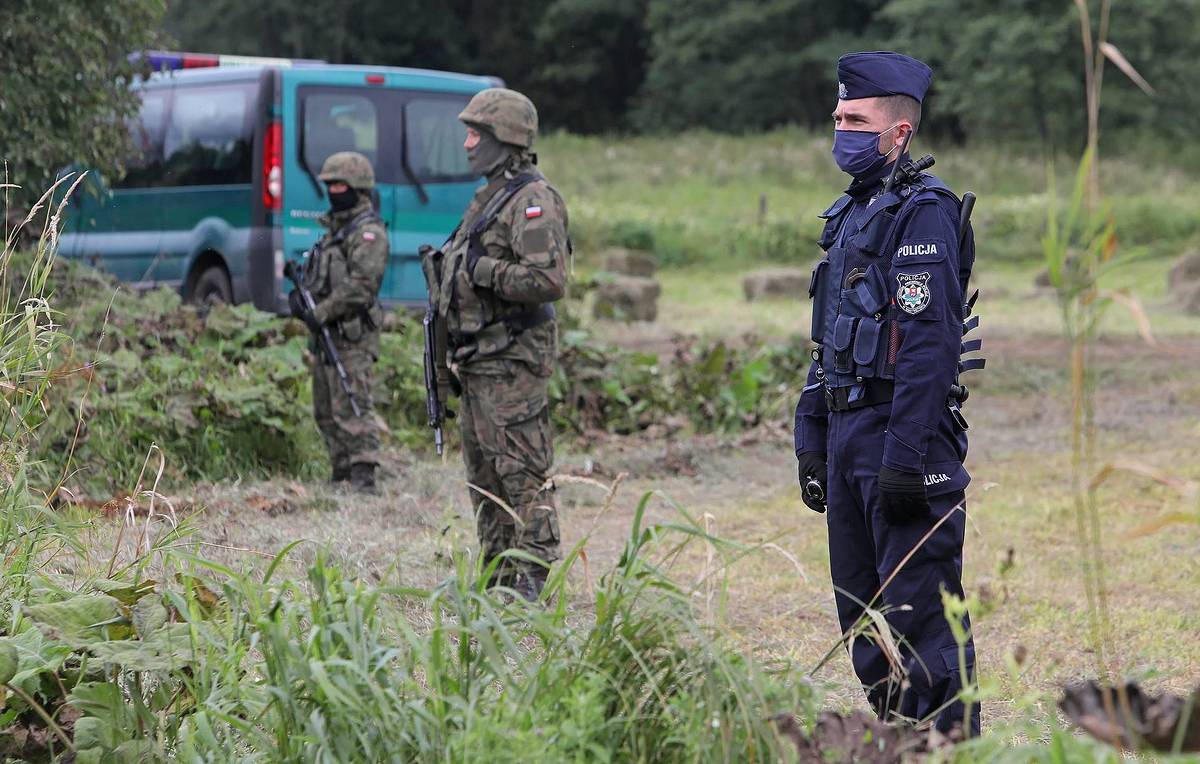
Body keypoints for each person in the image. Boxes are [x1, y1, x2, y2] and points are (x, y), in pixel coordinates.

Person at [793, 51, 983, 735]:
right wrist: (812, 437)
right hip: (848, 434)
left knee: (919, 615)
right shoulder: (853, 212)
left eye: (856, 120)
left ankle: (949, 745)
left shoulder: (923, 213)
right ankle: (899, 741)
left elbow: (929, 347)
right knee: (864, 618)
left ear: (899, 131)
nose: (840, 130)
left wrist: (905, 453)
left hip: (899, 435)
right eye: (838, 117)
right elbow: (830, 336)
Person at [421, 88, 569, 601]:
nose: (466, 145)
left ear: (504, 138)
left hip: (513, 360)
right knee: (484, 476)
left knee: (522, 471)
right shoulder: (492, 197)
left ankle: (533, 578)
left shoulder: (532, 201)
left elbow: (548, 280)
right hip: (479, 360)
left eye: (475, 134)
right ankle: (498, 576)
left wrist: (482, 270)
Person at [291, 151, 387, 494]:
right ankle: (342, 470)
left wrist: (323, 311)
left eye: (340, 185)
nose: (333, 191)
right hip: (326, 335)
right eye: (329, 185)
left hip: (352, 336)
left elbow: (362, 286)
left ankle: (364, 475)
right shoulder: (333, 232)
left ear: (358, 187)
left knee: (353, 404)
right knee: (325, 408)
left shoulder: (368, 234)